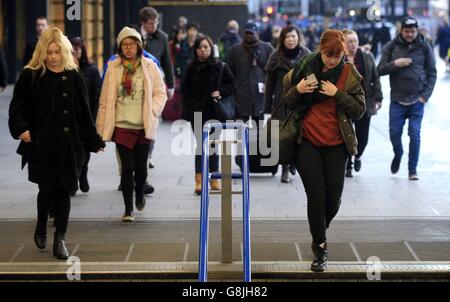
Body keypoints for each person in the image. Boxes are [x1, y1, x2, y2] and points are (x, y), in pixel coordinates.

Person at [9, 27, 105, 260]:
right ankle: (41, 223)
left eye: (57, 52)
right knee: (47, 190)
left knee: (64, 190)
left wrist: (93, 140)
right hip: (41, 143)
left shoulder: (74, 76)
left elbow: (83, 113)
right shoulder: (30, 75)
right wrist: (22, 129)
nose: (53, 57)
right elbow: (17, 109)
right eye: (49, 52)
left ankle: (60, 238)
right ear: (42, 52)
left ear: (65, 52)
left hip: (68, 144)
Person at [282, 29, 366, 272]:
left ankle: (318, 229)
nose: (332, 60)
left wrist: (337, 94)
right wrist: (298, 90)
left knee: (334, 199)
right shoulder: (305, 67)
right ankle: (320, 248)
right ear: (320, 50)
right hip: (306, 142)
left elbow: (359, 110)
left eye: (337, 55)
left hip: (336, 145)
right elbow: (287, 101)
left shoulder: (350, 74)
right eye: (329, 55)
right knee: (316, 196)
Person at [96, 27, 167, 222]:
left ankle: (140, 194)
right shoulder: (113, 67)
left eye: (132, 44)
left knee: (141, 169)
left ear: (138, 45)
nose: (128, 48)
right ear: (120, 48)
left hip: (142, 125)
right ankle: (128, 209)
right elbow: (104, 100)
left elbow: (160, 93)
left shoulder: (149, 66)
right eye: (124, 45)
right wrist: (101, 129)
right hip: (121, 126)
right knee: (126, 169)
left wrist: (153, 111)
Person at [377, 17, 437, 180]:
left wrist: (425, 96)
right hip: (397, 99)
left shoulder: (424, 47)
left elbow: (432, 73)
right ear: (401, 30)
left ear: (416, 31)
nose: (410, 34)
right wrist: (395, 64)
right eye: (407, 31)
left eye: (412, 31)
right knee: (395, 134)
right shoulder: (391, 46)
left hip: (417, 100)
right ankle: (398, 153)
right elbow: (380, 70)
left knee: (415, 134)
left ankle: (412, 170)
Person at [181, 35, 236, 194]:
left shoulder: (220, 66)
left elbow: (232, 85)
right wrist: (190, 106)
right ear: (196, 50)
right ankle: (199, 179)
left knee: (212, 145)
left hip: (214, 112)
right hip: (196, 112)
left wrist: (221, 92)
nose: (203, 50)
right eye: (199, 48)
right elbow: (184, 90)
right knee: (201, 145)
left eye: (205, 47)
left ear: (211, 48)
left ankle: (214, 178)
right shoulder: (191, 68)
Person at [264, 25, 310, 183]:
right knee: (282, 138)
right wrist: (267, 108)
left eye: (293, 37)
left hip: (302, 103)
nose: (291, 40)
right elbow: (269, 85)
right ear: (282, 39)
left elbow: (313, 79)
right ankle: (285, 168)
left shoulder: (306, 55)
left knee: (299, 136)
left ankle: (294, 162)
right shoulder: (275, 56)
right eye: (287, 37)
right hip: (281, 102)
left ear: (299, 38)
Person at [342, 29, 383, 177]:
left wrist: (378, 97)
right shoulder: (339, 58)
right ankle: (348, 165)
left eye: (355, 41)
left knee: (362, 137)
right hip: (344, 103)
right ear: (343, 43)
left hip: (364, 102)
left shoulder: (367, 56)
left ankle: (358, 156)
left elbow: (375, 78)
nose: (353, 44)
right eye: (349, 41)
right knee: (346, 135)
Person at [70, 37, 102, 195]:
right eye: (72, 49)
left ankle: (82, 173)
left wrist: (95, 118)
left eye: (78, 49)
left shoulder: (91, 70)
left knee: (84, 150)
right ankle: (73, 179)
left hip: (87, 116)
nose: (75, 52)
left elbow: (97, 96)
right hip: (70, 117)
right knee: (72, 151)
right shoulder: (65, 69)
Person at [227, 22, 274, 121]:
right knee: (241, 131)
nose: (249, 36)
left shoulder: (267, 48)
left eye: (251, 33)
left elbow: (273, 70)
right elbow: (229, 72)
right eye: (247, 33)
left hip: (261, 97)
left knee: (261, 131)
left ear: (257, 33)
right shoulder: (235, 50)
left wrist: (268, 84)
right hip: (242, 97)